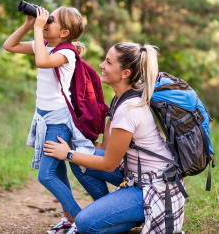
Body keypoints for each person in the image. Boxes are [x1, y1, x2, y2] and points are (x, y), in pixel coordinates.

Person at [43, 42, 186, 234]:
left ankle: (117, 215)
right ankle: (113, 213)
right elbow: (105, 148)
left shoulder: (129, 110)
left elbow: (109, 164)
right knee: (83, 158)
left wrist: (68, 154)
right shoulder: (120, 99)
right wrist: (81, 143)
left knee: (85, 224)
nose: (101, 65)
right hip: (135, 176)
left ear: (125, 73)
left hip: (154, 187)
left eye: (108, 62)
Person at [3, 6, 95, 234]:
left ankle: (79, 220)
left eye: (49, 21)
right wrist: (27, 25)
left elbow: (42, 62)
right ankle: (68, 219)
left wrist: (37, 28)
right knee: (59, 172)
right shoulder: (45, 45)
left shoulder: (67, 53)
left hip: (59, 120)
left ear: (64, 33)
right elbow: (9, 46)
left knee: (46, 175)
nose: (44, 22)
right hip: (43, 118)